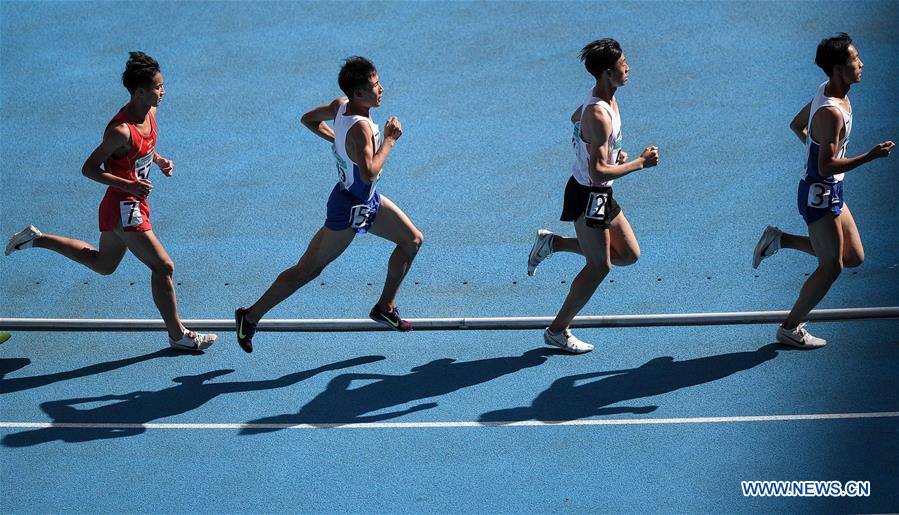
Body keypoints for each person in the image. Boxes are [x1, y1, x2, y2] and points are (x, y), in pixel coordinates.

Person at [4, 52, 217, 351]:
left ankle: (36, 240)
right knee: (164, 267)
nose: (163, 91)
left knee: (103, 265)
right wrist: (128, 183)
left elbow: (143, 148)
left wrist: (157, 160)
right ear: (140, 91)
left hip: (131, 204)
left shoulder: (150, 114)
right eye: (158, 87)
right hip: (123, 208)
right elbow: (89, 169)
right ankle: (177, 335)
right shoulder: (119, 131)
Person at [234, 56, 423, 353]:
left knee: (412, 241)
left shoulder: (340, 105)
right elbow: (369, 171)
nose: (381, 89)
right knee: (308, 270)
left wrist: (339, 142)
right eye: (375, 86)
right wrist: (389, 140)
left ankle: (385, 307)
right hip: (348, 208)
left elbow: (308, 120)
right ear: (358, 94)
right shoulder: (361, 128)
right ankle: (250, 316)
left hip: (366, 200)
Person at [752, 33, 893, 348]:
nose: (861, 63)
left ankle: (781, 239)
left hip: (831, 190)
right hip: (819, 196)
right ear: (839, 69)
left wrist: (814, 153)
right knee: (832, 266)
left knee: (853, 256)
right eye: (855, 59)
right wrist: (870, 156)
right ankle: (790, 327)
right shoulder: (830, 111)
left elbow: (797, 126)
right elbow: (827, 165)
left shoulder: (829, 93)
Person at [527, 39, 659, 354]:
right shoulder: (600, 113)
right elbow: (598, 172)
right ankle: (557, 330)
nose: (628, 67)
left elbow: (576, 119)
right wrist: (638, 163)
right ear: (606, 73)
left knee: (628, 254)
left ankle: (553, 244)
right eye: (622, 64)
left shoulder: (605, 100)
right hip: (589, 194)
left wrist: (610, 151)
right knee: (600, 267)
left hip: (598, 193)